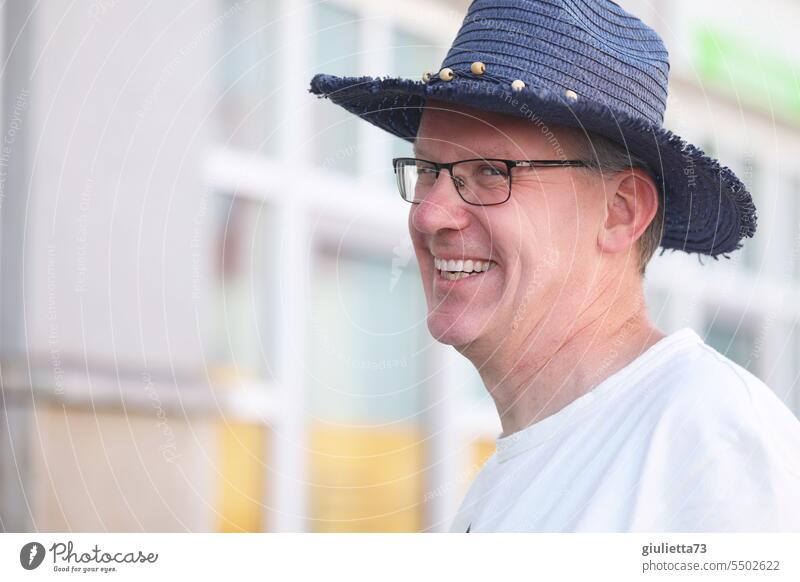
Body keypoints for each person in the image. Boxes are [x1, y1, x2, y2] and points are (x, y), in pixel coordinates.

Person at [309, 0, 800, 531]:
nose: (429, 214)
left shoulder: (712, 444)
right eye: (428, 170)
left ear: (621, 212)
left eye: (491, 172)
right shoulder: (509, 481)